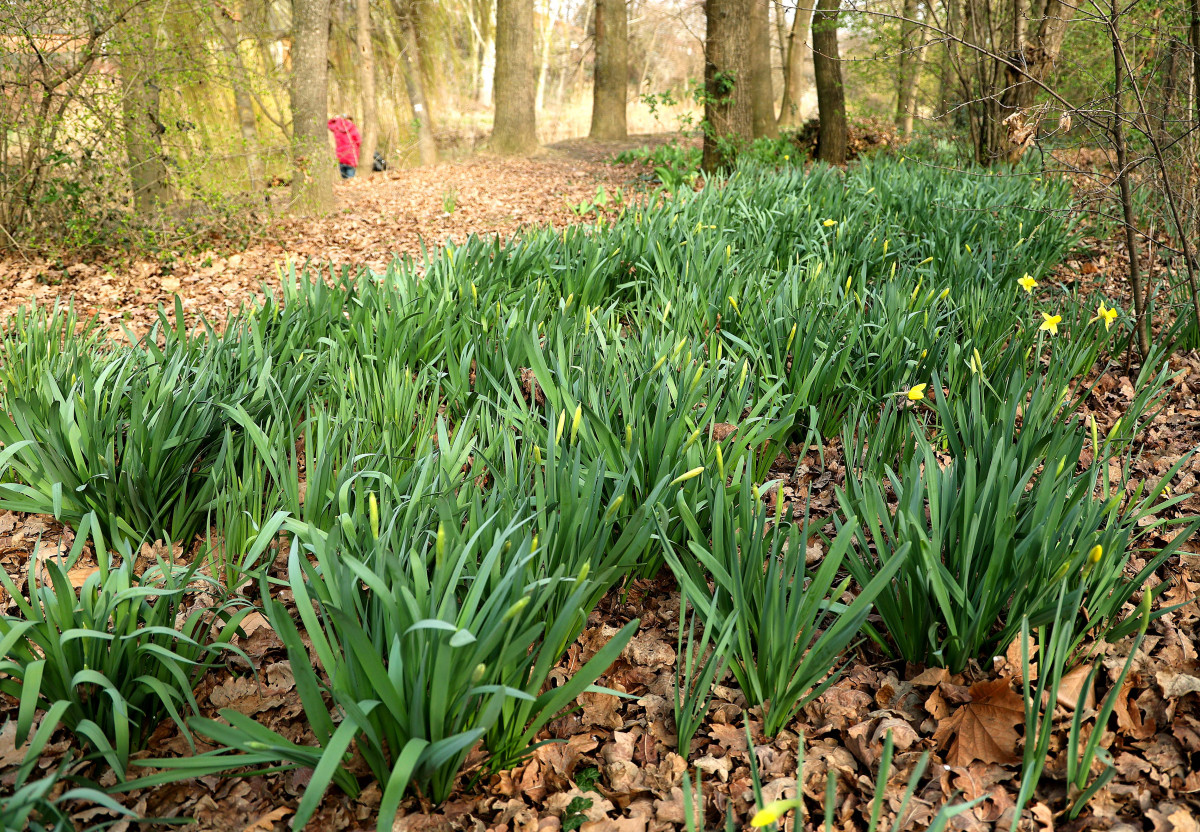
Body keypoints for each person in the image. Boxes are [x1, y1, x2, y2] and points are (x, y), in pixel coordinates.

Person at [327, 114, 361, 179]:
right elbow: (358, 141)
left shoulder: (337, 128)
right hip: (351, 158)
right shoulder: (353, 128)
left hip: (341, 157)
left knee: (344, 179)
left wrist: (335, 119)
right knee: (350, 179)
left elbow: (329, 124)